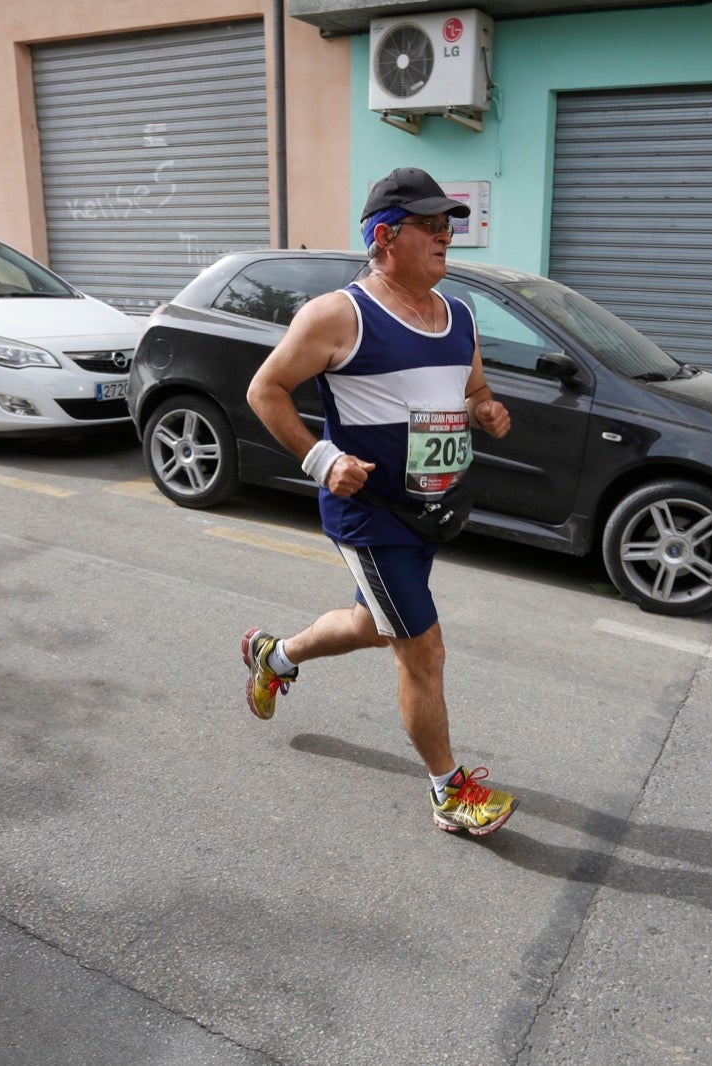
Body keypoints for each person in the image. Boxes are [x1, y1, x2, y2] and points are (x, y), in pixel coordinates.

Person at [242, 166, 518, 838]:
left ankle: (274, 656)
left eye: (448, 223)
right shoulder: (340, 314)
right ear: (386, 237)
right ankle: (449, 792)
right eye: (430, 225)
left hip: (430, 513)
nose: (446, 235)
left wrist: (485, 409)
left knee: (375, 624)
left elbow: (472, 386)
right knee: (422, 650)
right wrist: (322, 458)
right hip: (371, 516)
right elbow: (265, 390)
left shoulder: (459, 315)